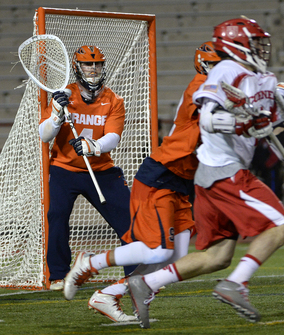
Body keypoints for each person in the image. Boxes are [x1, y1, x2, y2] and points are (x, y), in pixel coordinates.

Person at [124, 17, 284, 328]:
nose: (260, 48)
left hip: (215, 176)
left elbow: (278, 128)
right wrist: (244, 123)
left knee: (218, 256)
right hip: (222, 170)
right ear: (236, 44)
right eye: (254, 42)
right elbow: (208, 119)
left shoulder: (264, 78)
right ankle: (236, 285)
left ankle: (148, 282)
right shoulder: (225, 71)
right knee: (281, 225)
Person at [62, 42, 221, 322]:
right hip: (161, 175)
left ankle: (108, 295)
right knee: (157, 249)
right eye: (219, 65)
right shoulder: (203, 86)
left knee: (176, 256)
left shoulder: (218, 86)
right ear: (205, 65)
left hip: (182, 180)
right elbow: (218, 113)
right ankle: (91, 262)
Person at [39, 45, 137, 291]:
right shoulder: (62, 95)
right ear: (77, 67)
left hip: (102, 170)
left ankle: (137, 274)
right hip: (64, 169)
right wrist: (57, 115)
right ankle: (59, 275)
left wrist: (92, 146)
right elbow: (44, 135)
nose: (93, 69)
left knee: (130, 218)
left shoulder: (114, 100)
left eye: (98, 64)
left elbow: (113, 137)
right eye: (88, 64)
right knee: (57, 216)